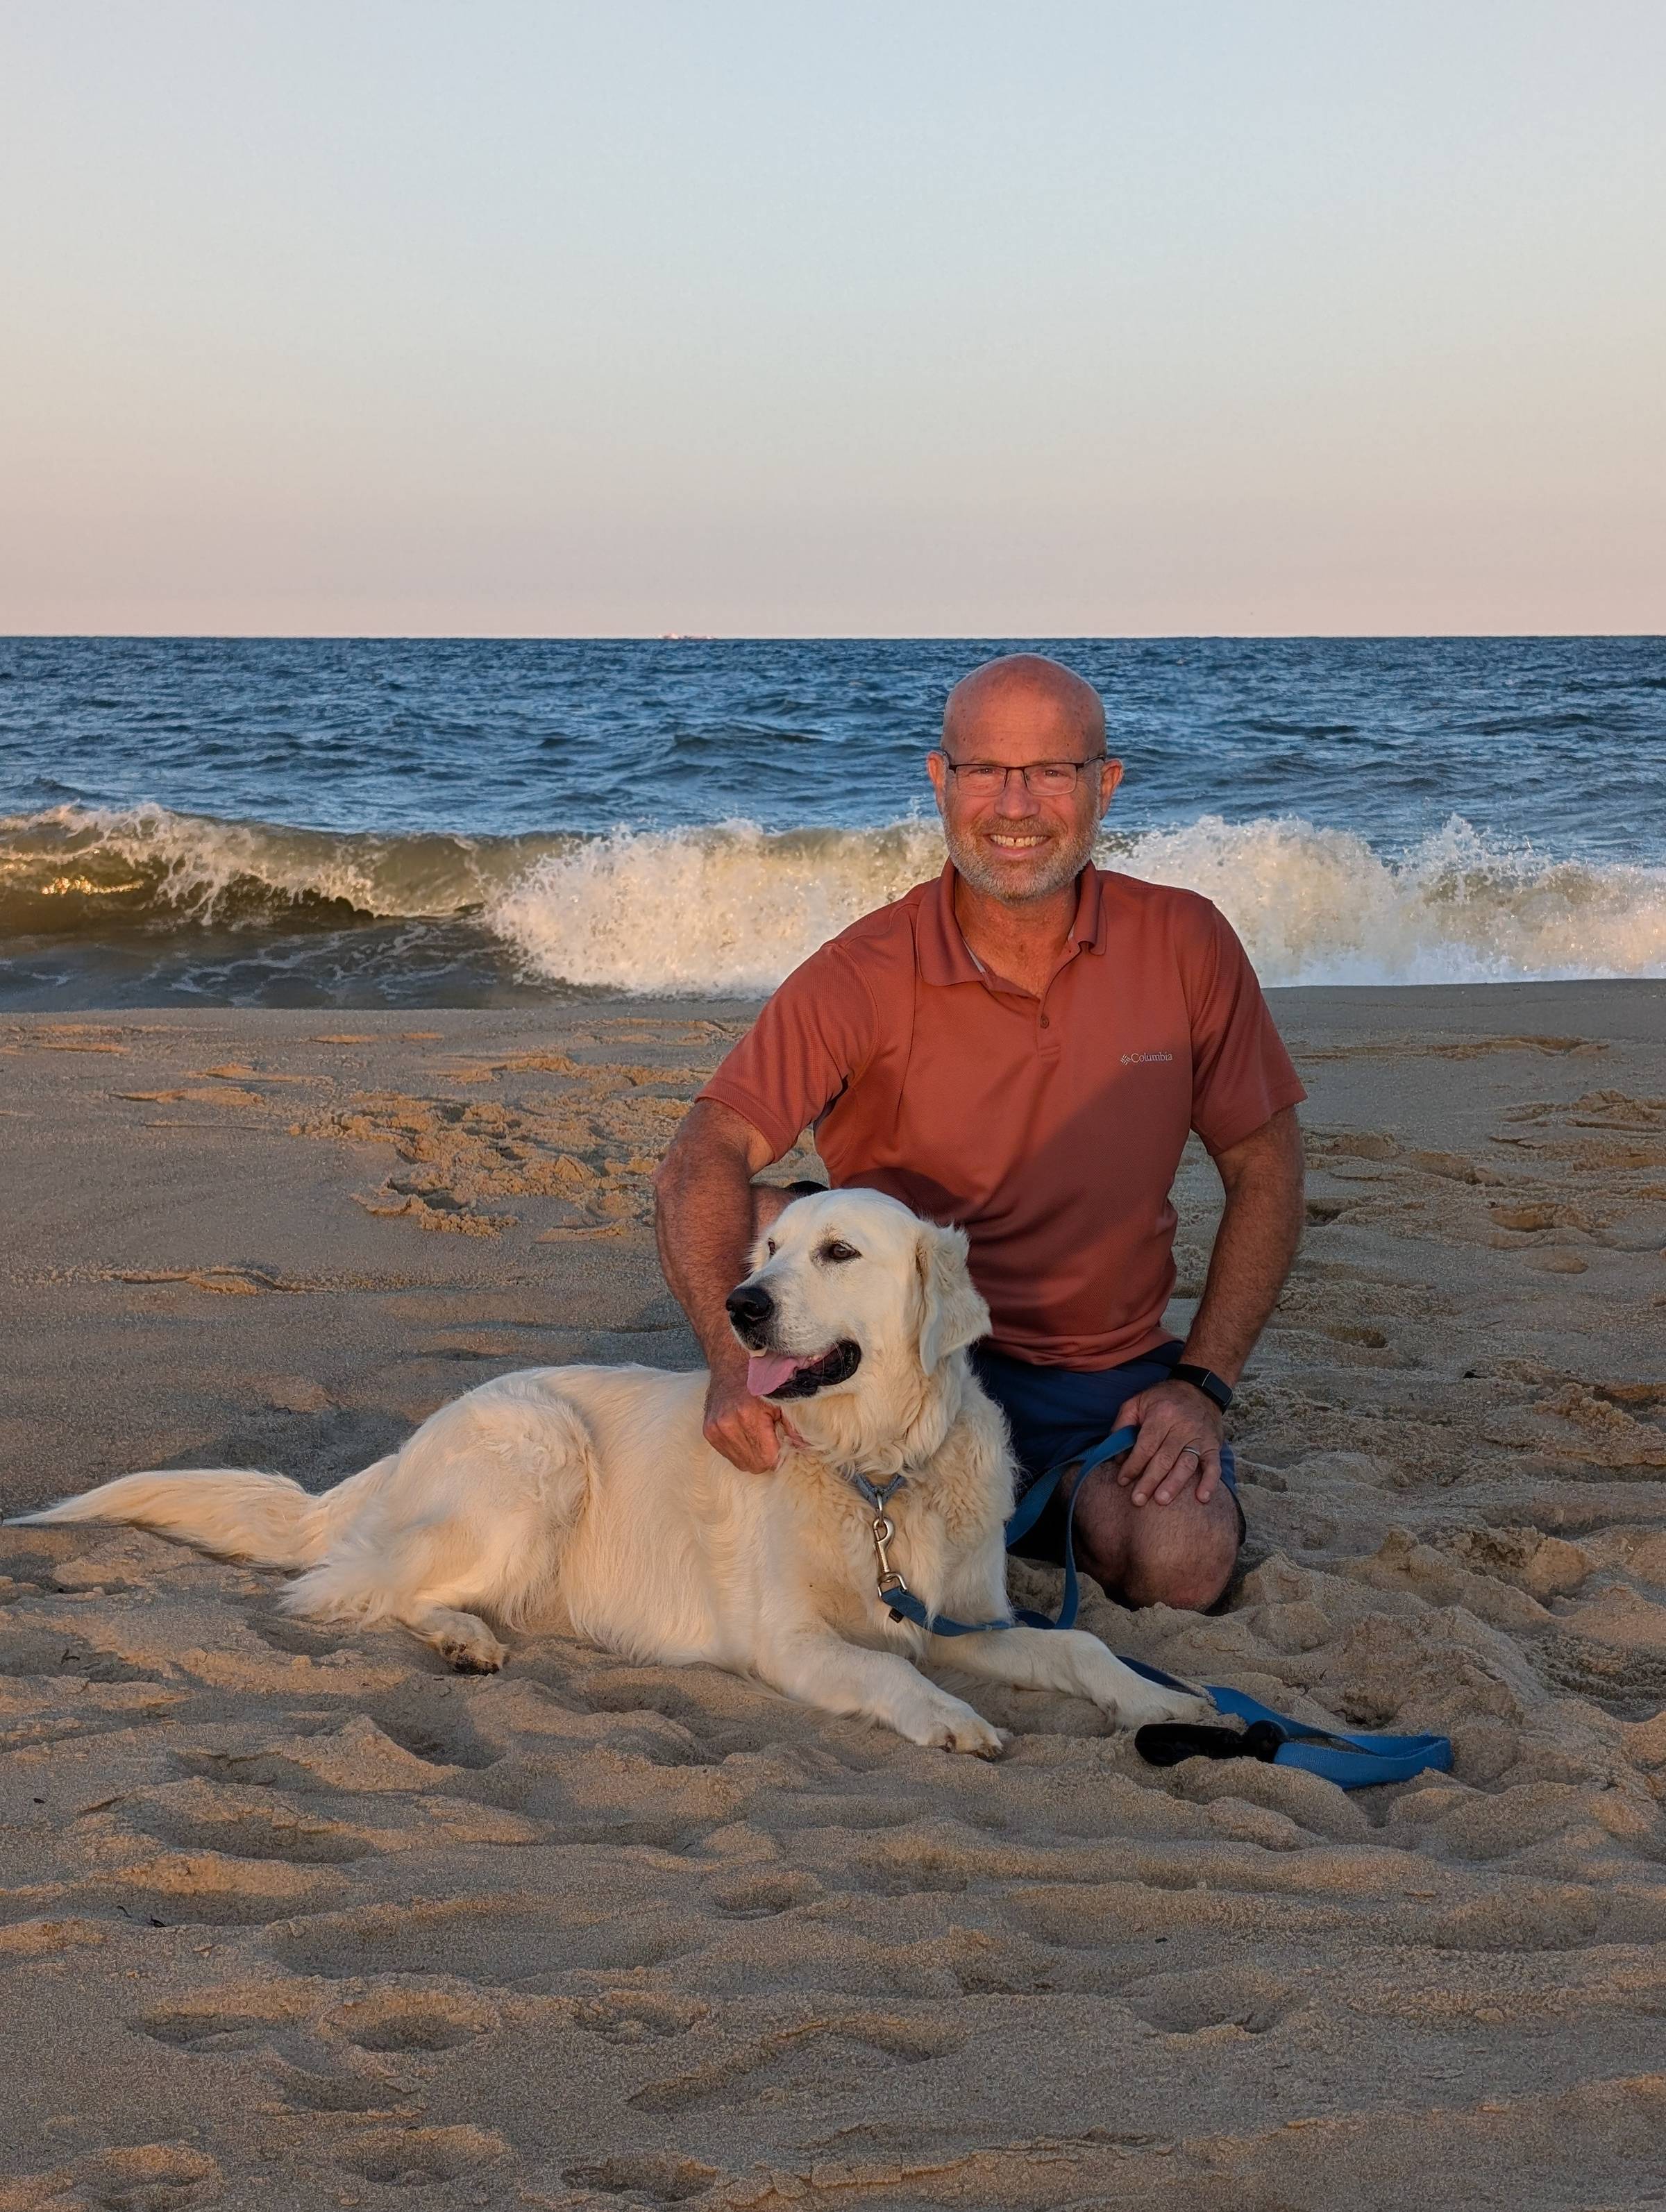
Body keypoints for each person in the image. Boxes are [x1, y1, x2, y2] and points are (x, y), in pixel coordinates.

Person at [653, 653, 1306, 1613]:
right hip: (909, 1367)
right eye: (986, 772)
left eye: (1050, 772)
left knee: (1183, 1564)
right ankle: (951, 1500)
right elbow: (698, 1160)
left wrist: (1200, 1386)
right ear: (939, 782)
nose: (1015, 805)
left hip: (1104, 1378)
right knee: (756, 1218)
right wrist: (725, 1363)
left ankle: (1026, 1506)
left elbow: (1266, 1169)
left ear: (1104, 786)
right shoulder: (864, 969)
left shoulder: (1186, 943)